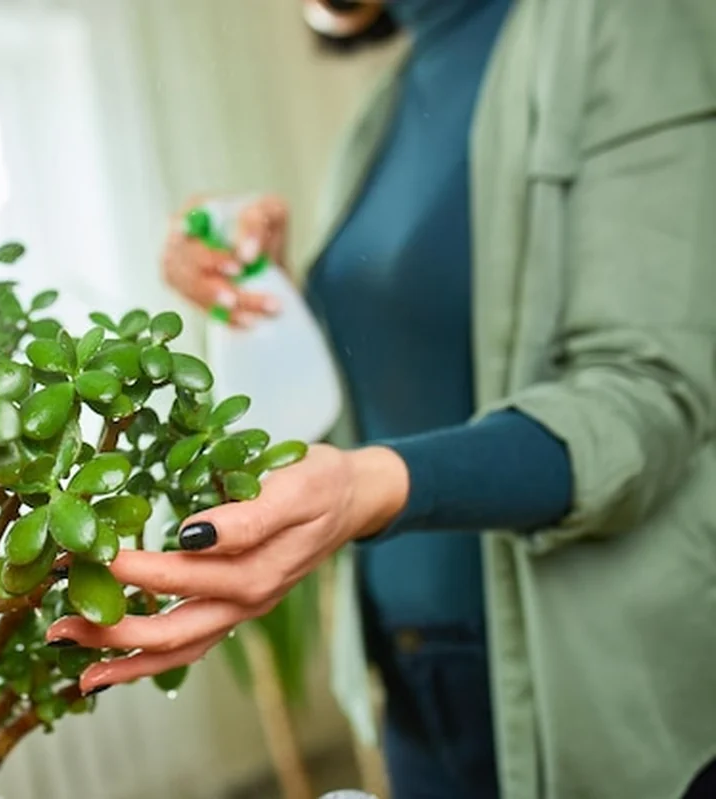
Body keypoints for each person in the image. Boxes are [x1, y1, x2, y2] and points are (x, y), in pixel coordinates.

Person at [45, 1, 716, 797]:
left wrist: (365, 486)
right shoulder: (384, 107)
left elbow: (650, 396)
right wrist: (267, 299)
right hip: (405, 668)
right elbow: (393, 394)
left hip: (587, 680)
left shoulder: (626, 25)